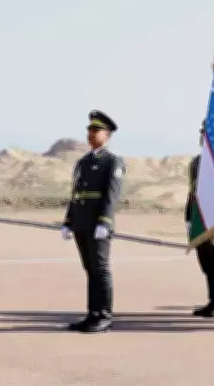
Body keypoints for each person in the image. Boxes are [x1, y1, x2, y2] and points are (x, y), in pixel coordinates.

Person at [61, 110, 125, 333]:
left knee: (101, 269)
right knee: (90, 269)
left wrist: (104, 222)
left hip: (98, 224)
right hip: (82, 223)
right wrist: (68, 221)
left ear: (107, 135)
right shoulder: (83, 162)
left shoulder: (112, 161)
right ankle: (92, 314)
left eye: (96, 130)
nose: (91, 133)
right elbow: (76, 194)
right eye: (89, 130)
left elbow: (111, 195)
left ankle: (104, 315)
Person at [184, 119, 214, 318]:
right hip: (199, 217)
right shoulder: (196, 162)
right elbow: (192, 191)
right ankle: (213, 300)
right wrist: (189, 216)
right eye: (203, 133)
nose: (204, 137)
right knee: (206, 262)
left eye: (208, 134)